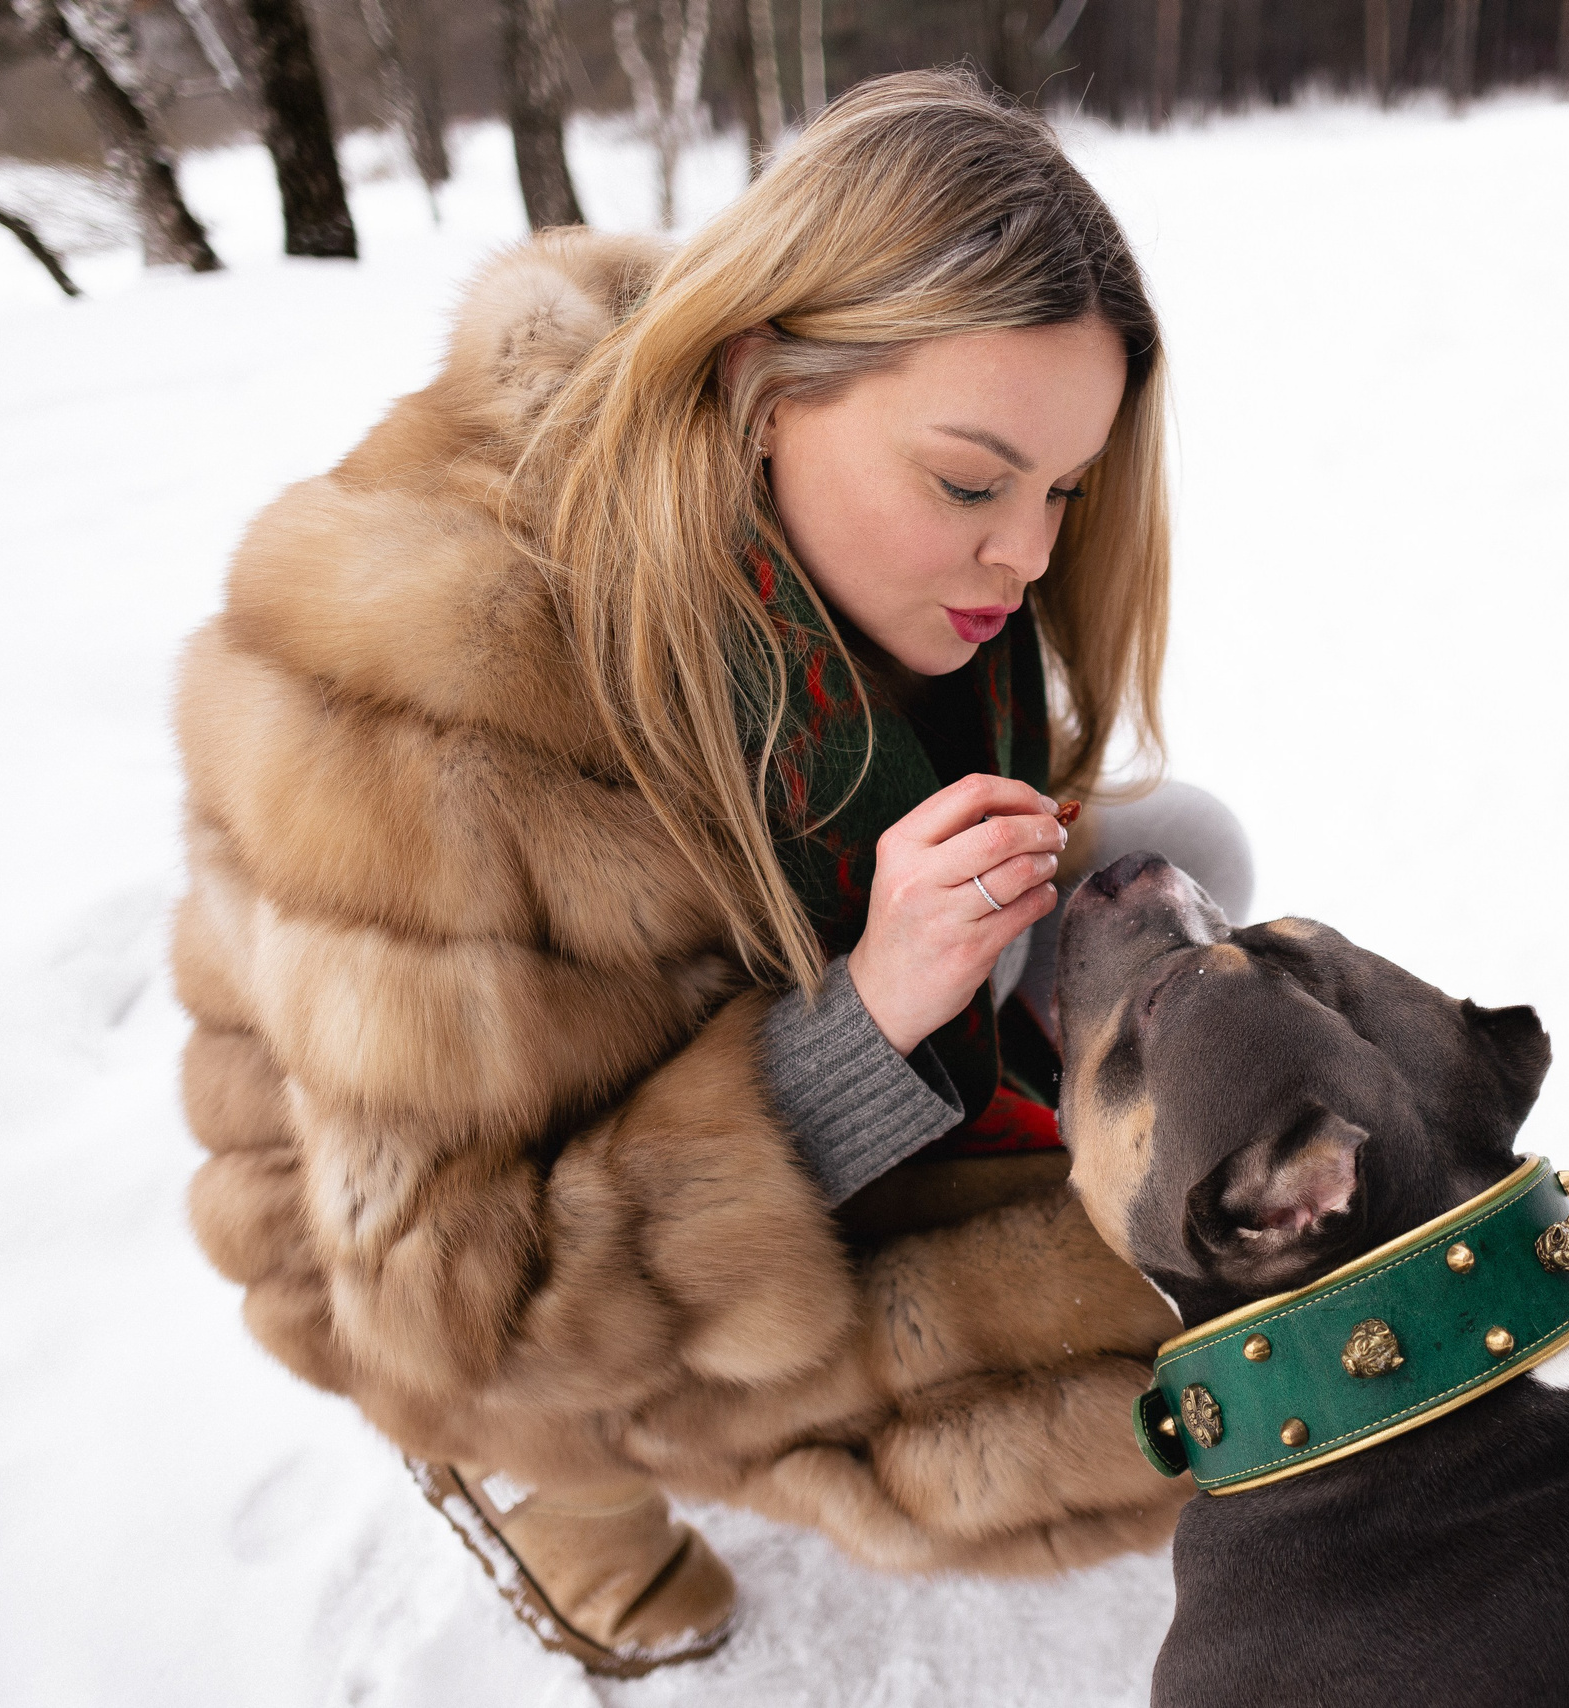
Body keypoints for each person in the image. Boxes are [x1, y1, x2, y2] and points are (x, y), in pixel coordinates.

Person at [170, 70, 1249, 1678]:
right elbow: (468, 1295)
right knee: (1154, 1362)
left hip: (698, 1057)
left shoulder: (803, 543)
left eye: (1062, 492)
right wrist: (874, 1022)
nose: (1026, 557)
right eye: (971, 484)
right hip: (442, 1257)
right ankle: (548, 1486)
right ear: (760, 381)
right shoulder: (442, 707)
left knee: (1177, 860)